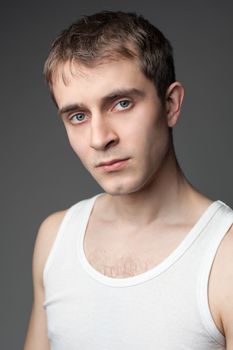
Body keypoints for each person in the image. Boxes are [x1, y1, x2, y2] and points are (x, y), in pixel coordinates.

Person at [24, 11, 233, 350]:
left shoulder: (226, 257)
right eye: (78, 116)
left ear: (170, 104)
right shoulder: (55, 238)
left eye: (121, 104)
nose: (99, 138)